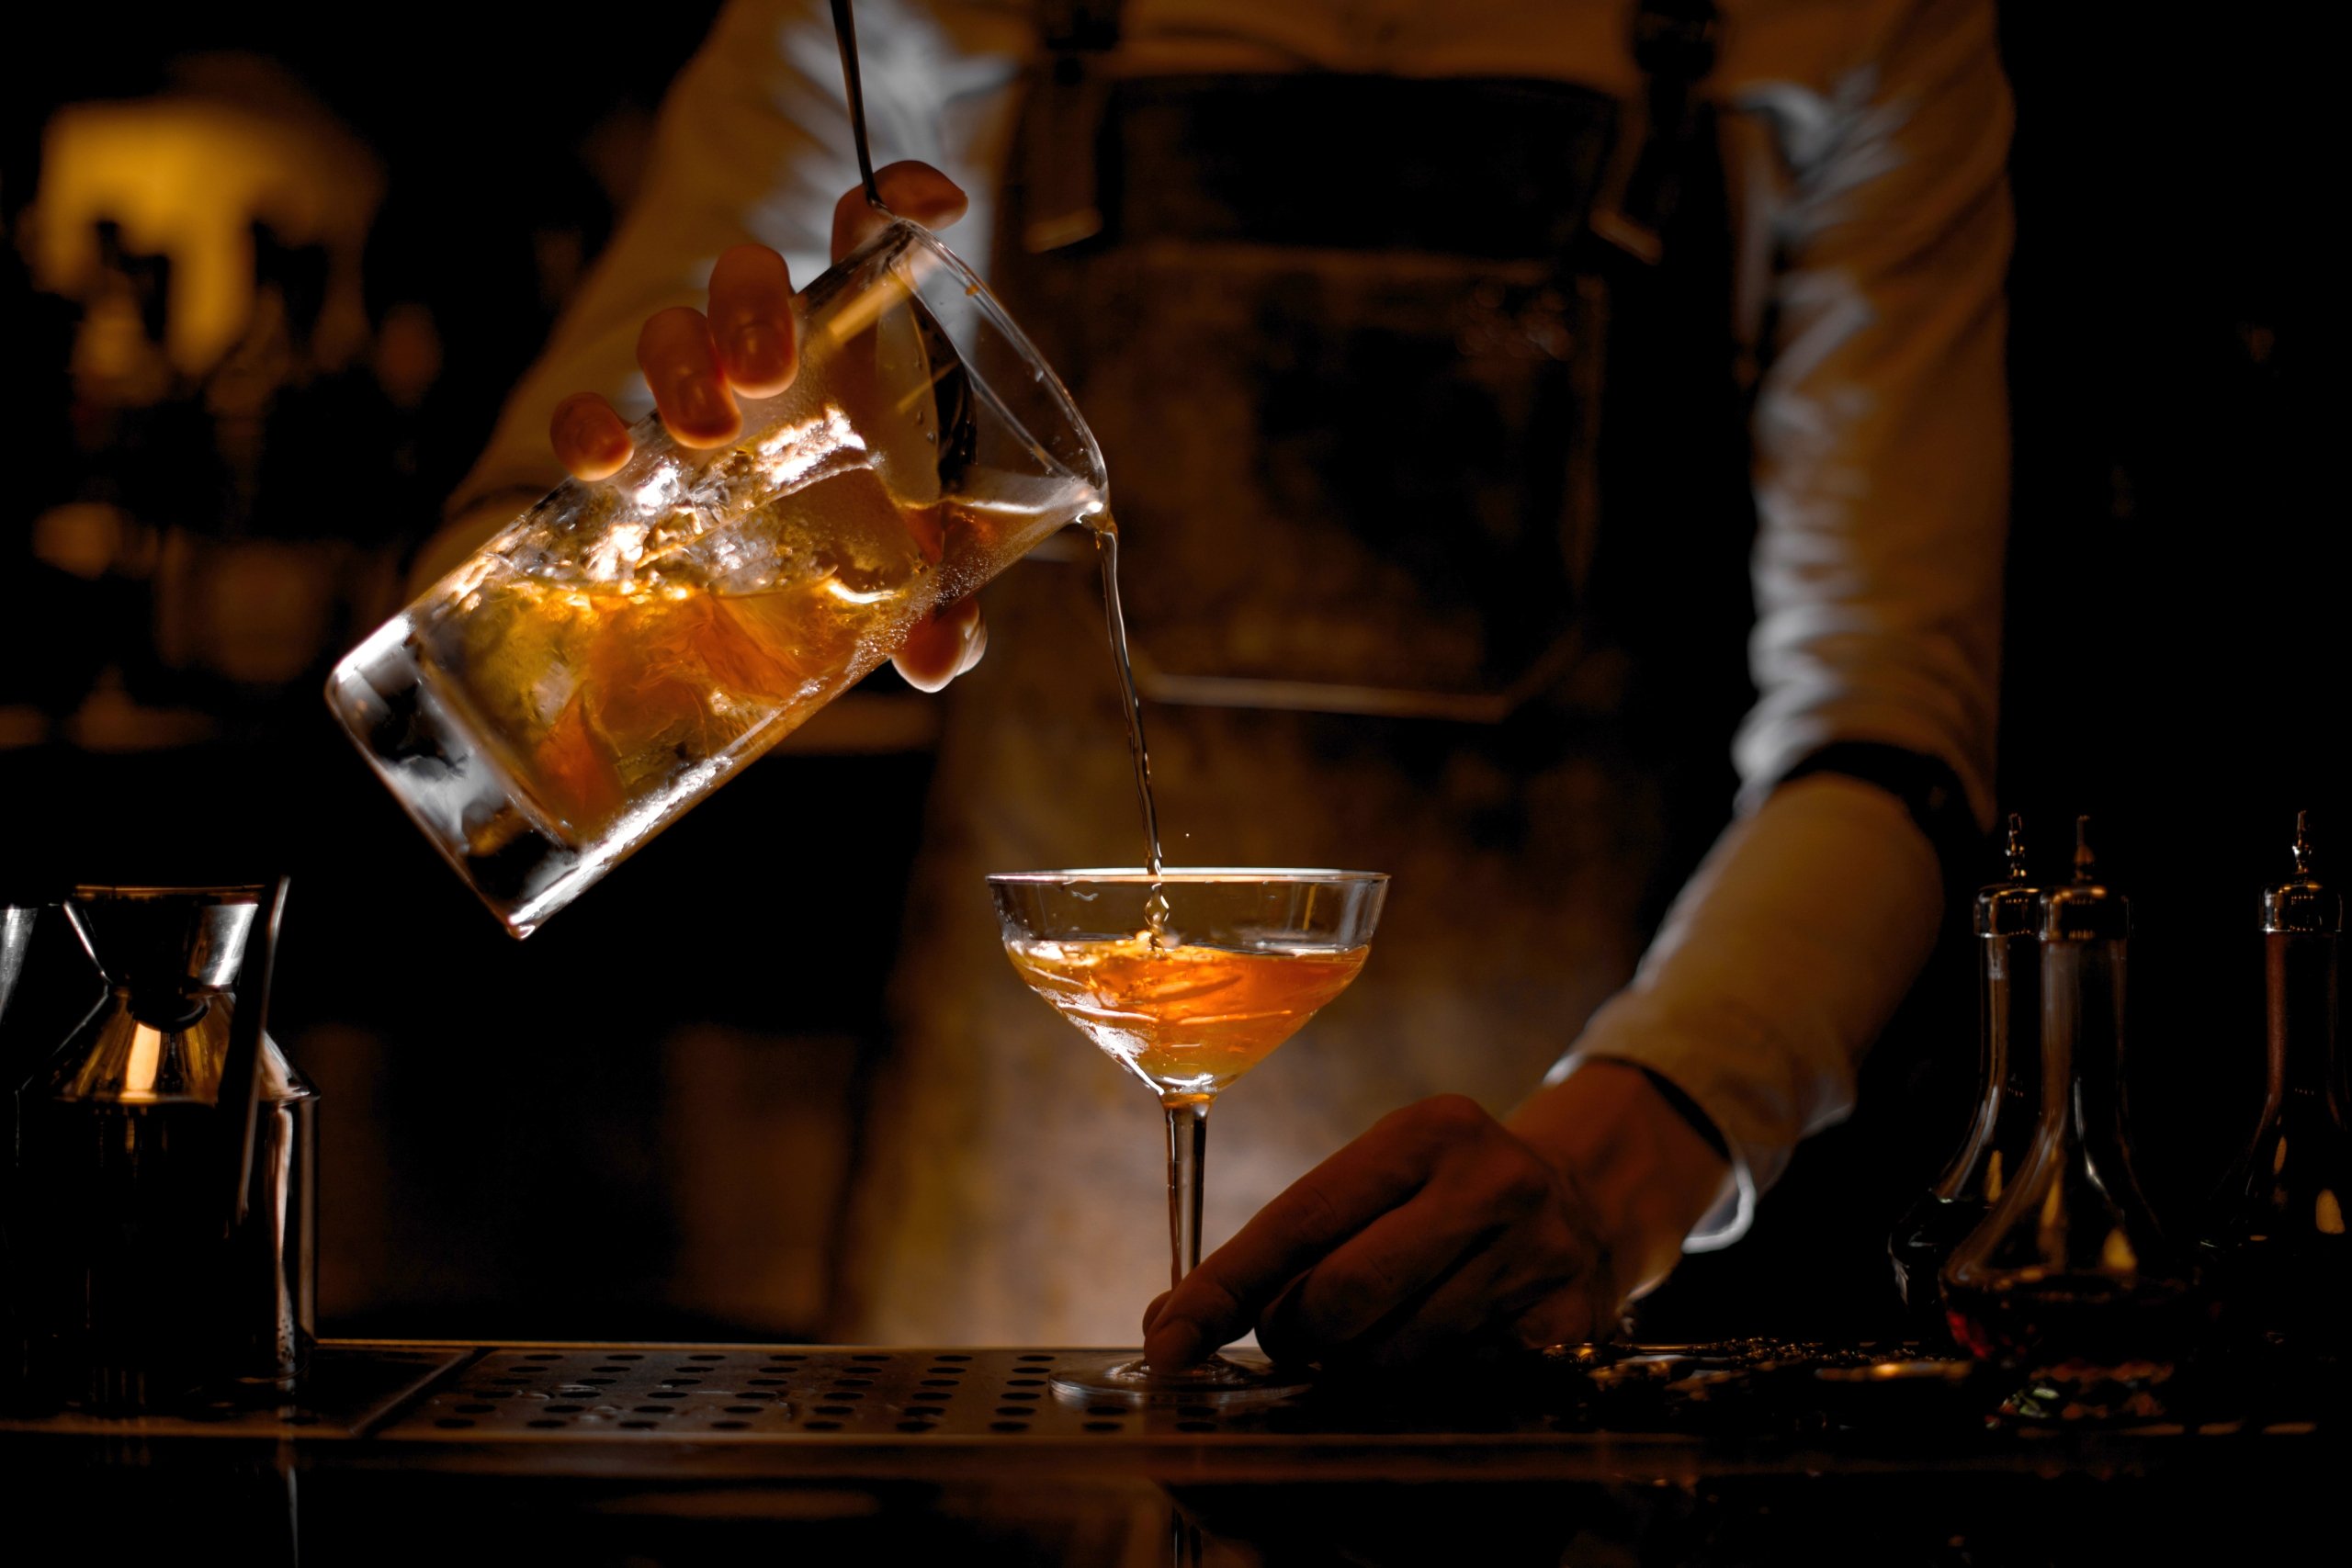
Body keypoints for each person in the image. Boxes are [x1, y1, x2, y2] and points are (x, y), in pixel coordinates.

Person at [418, 0, 2009, 1366]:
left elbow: (1889, 728)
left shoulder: (1842, 27)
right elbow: (468, 686)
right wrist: (671, 548)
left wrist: (1613, 1172)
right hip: (999, 1268)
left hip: (1570, 1280)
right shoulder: (894, 20)